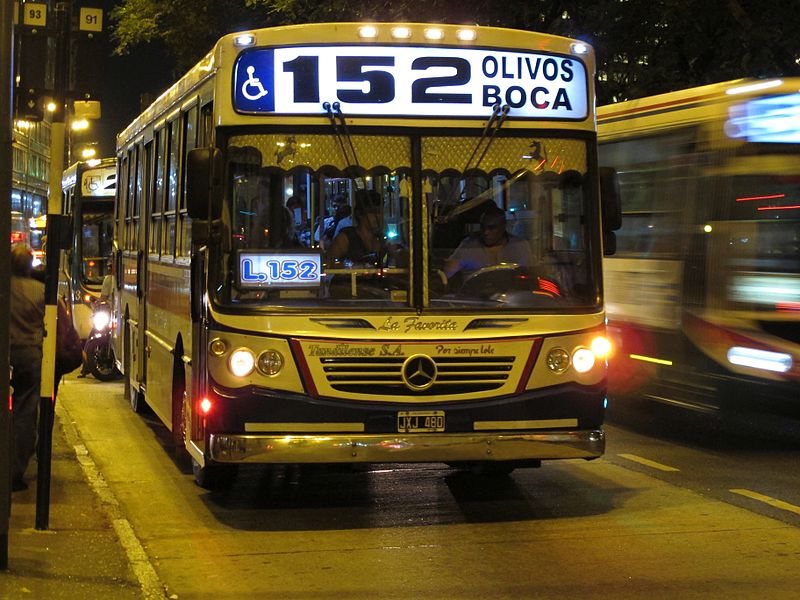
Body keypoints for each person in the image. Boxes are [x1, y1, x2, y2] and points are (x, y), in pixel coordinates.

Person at [9, 244, 45, 491]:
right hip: (30, 354)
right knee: (26, 411)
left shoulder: (5, 288)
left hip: (7, 352)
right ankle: (17, 471)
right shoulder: (40, 291)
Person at [443, 205, 533, 279]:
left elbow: (531, 274)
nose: (485, 232)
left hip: (510, 298)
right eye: (482, 227)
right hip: (474, 298)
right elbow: (447, 273)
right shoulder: (469, 245)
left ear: (503, 227)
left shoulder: (520, 246)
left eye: (491, 228)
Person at [326, 189, 384, 265]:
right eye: (372, 212)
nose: (377, 217)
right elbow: (329, 263)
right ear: (359, 214)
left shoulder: (381, 239)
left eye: (380, 212)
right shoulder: (345, 239)